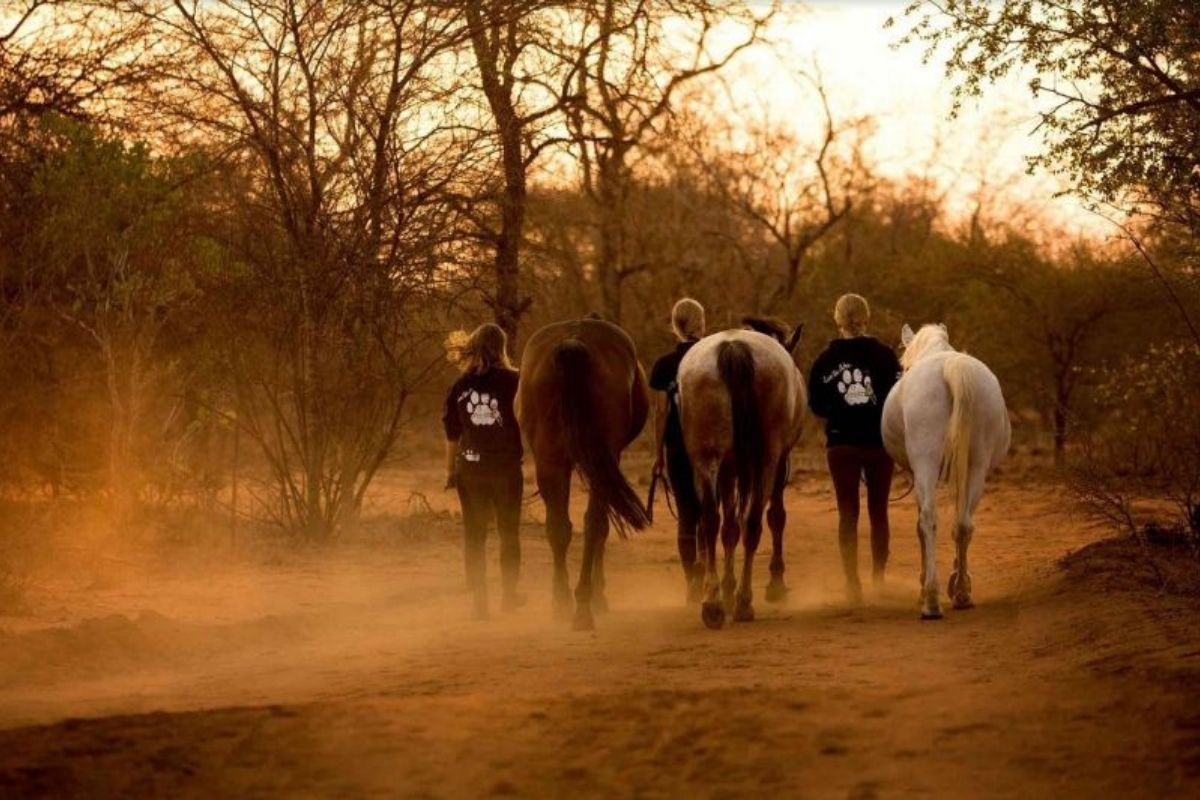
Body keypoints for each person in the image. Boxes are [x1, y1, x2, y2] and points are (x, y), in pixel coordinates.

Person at [807, 294, 902, 602]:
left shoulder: (824, 361)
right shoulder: (886, 356)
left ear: (838, 320)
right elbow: (898, 400)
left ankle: (852, 584)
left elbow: (816, 405)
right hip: (878, 444)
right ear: (867, 318)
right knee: (878, 511)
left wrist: (841, 410)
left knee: (848, 513)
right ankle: (878, 578)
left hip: (841, 443)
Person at [443, 323, 524, 619]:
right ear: (501, 347)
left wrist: (450, 471)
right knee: (508, 533)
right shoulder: (515, 381)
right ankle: (509, 596)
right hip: (505, 469)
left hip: (470, 468)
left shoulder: (459, 385)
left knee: (474, 535)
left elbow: (452, 432)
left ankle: (480, 602)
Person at [649, 298, 706, 601]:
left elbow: (661, 413)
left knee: (686, 513)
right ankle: (710, 572)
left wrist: (658, 454)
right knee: (711, 510)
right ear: (701, 323)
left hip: (678, 445)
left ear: (675, 325)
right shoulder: (714, 359)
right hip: (713, 448)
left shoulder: (664, 365)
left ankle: (691, 583)